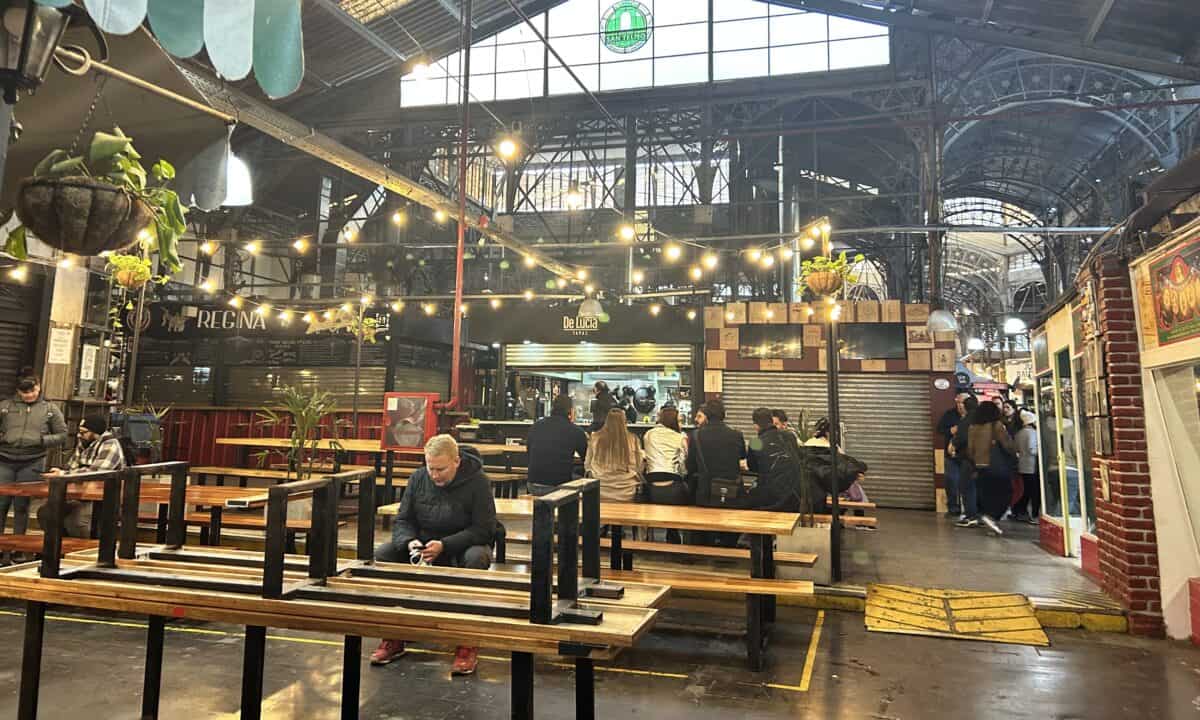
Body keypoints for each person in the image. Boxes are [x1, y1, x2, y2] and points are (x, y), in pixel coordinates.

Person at [370, 435, 497, 675]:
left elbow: (484, 529)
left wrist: (445, 545)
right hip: (423, 545)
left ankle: (466, 642)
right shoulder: (418, 478)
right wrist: (409, 542)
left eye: (441, 469)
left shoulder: (479, 482)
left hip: (462, 545)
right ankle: (394, 635)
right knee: (384, 555)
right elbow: (403, 520)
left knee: (476, 558)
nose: (435, 475)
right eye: (431, 468)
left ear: (457, 461)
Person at [0, 369, 68, 535]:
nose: (29, 395)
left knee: (22, 505)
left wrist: (42, 440)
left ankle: (18, 549)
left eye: (33, 391)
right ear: (18, 391)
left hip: (33, 461)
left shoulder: (50, 408)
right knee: (1, 503)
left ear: (39, 387)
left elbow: (63, 434)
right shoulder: (5, 406)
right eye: (25, 392)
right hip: (4, 460)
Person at [37, 415, 127, 537]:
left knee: (77, 521)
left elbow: (96, 473)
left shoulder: (110, 444)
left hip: (103, 499)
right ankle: (58, 548)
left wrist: (64, 474)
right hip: (80, 495)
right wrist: (59, 472)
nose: (79, 435)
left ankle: (87, 551)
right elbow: (71, 466)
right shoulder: (84, 443)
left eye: (83, 432)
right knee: (46, 512)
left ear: (95, 433)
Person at [955, 400, 1017, 535]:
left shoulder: (973, 427)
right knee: (1006, 492)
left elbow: (970, 450)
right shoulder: (997, 425)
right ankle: (992, 517)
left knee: (987, 494)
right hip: (996, 467)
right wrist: (1014, 453)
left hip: (980, 466)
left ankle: (988, 517)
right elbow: (1007, 445)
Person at [685, 400, 746, 508]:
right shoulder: (737, 435)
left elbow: (690, 465)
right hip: (732, 492)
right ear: (724, 415)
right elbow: (741, 458)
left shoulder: (696, 435)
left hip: (706, 493)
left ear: (707, 415)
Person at [641, 407, 689, 543]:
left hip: (651, 488)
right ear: (673, 422)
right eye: (679, 421)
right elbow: (684, 465)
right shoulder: (681, 437)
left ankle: (650, 539)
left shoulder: (648, 434)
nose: (681, 424)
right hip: (674, 489)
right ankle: (675, 536)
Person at [803, 417, 868, 515]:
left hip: (812, 485)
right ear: (828, 433)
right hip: (828, 484)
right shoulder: (831, 446)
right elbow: (845, 463)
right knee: (852, 483)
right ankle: (860, 514)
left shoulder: (807, 444)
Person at [526, 394, 587, 496]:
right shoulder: (576, 431)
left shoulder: (536, 426)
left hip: (532, 484)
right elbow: (586, 459)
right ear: (570, 410)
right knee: (587, 482)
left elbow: (529, 452)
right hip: (558, 486)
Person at [744, 408, 803, 512]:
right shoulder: (790, 436)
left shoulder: (756, 442)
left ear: (756, 425)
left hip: (770, 498)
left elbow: (753, 469)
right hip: (795, 495)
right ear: (772, 420)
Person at [585, 409, 644, 502]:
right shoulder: (634, 440)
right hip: (627, 492)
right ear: (625, 422)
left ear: (606, 421)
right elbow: (639, 467)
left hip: (600, 490)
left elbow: (587, 465)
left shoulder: (595, 437)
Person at [937, 392, 970, 518]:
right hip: (952, 456)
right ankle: (953, 508)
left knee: (969, 483)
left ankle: (970, 510)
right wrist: (951, 430)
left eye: (963, 402)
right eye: (958, 402)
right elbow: (940, 429)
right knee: (951, 481)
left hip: (968, 455)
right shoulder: (949, 414)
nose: (960, 405)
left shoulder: (973, 416)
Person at [948, 394, 980, 521]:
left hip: (968, 458)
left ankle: (971, 516)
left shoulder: (967, 420)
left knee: (967, 486)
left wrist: (953, 445)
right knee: (976, 487)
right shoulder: (982, 418)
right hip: (981, 458)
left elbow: (961, 437)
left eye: (961, 404)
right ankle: (979, 514)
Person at [1012, 410, 1041, 524]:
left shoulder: (1019, 433)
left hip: (1022, 465)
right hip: (1032, 466)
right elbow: (1032, 449)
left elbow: (1016, 449)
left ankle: (1019, 510)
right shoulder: (1033, 433)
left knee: (1025, 490)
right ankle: (1034, 514)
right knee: (1034, 491)